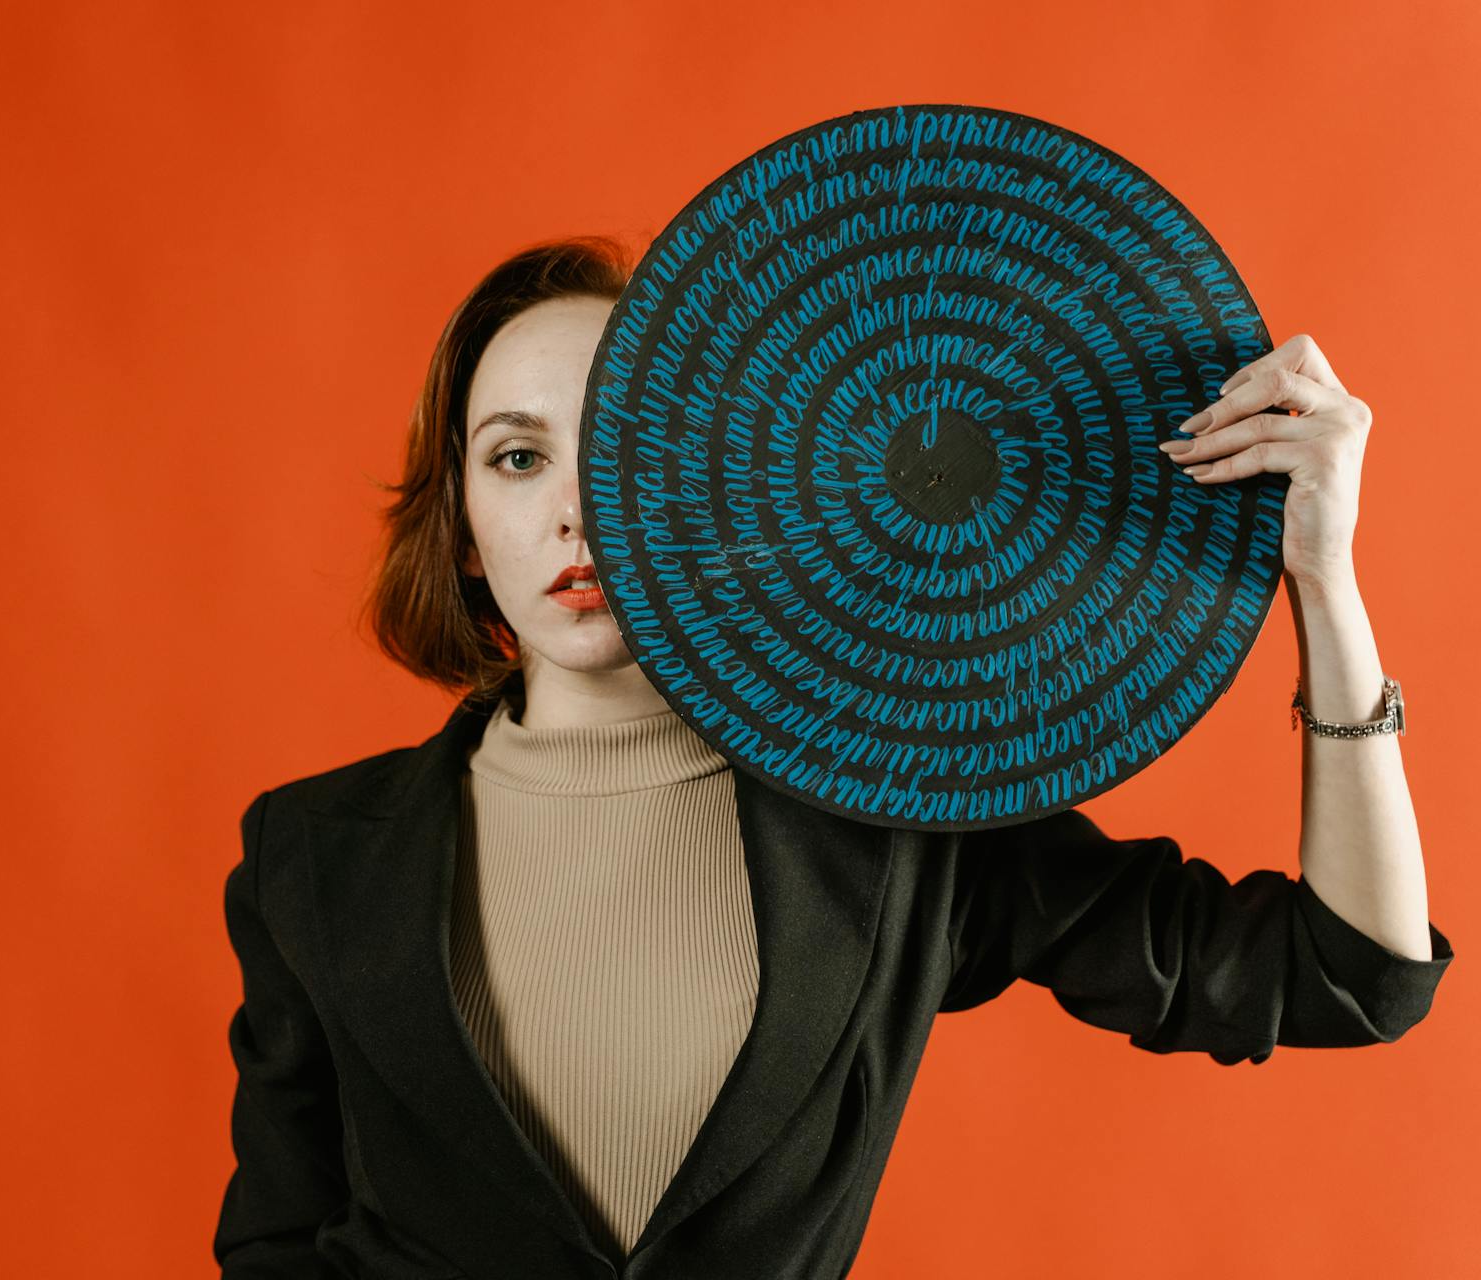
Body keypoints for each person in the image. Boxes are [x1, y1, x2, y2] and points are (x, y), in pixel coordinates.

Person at [214, 236, 1454, 1278]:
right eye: (519, 455)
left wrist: (1324, 585)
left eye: (631, 447)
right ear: (468, 530)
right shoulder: (311, 856)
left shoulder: (887, 802)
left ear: (718, 482)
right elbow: (273, 1246)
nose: (578, 508)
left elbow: (1348, 978)